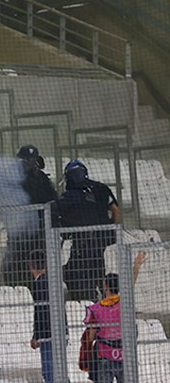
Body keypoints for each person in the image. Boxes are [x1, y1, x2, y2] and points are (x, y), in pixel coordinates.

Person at [58, 160, 120, 301]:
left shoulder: (70, 195)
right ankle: (100, 298)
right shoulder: (101, 188)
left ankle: (88, 300)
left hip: (81, 244)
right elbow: (116, 211)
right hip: (100, 243)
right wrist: (110, 229)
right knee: (97, 271)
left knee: (73, 272)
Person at [81, 253, 146, 383]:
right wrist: (136, 266)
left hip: (104, 355)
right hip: (123, 354)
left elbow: (91, 335)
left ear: (105, 286)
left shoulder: (95, 309)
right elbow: (130, 285)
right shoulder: (124, 303)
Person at [2, 145, 58, 286]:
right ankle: (15, 285)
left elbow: (52, 199)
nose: (29, 164)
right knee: (16, 257)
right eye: (26, 161)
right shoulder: (11, 176)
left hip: (39, 228)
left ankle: (38, 285)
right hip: (18, 228)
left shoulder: (41, 177)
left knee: (39, 258)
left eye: (32, 160)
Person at [28, 249, 55, 383]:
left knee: (49, 371)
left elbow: (40, 311)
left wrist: (37, 336)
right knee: (56, 369)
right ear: (46, 264)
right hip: (59, 330)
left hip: (47, 333)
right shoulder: (53, 281)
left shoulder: (38, 284)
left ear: (30, 265)